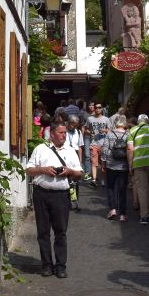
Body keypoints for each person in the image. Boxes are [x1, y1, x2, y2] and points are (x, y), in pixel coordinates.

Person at [26, 120, 83, 277]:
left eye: (65, 133)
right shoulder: (40, 149)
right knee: (43, 232)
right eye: (61, 132)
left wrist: (69, 171)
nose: (64, 135)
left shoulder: (70, 151)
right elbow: (29, 170)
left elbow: (79, 174)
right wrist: (43, 170)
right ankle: (46, 265)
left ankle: (60, 266)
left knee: (60, 232)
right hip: (41, 194)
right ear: (52, 134)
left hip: (61, 196)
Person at [101, 114, 130, 221]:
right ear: (125, 123)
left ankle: (112, 210)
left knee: (111, 187)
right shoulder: (128, 134)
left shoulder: (109, 134)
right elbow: (130, 149)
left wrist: (103, 163)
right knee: (122, 189)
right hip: (124, 166)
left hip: (111, 165)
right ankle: (122, 214)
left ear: (116, 123)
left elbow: (105, 150)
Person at [88, 103, 110, 187]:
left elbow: (111, 131)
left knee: (103, 164)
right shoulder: (90, 119)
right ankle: (94, 180)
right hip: (93, 143)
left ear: (102, 108)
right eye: (96, 108)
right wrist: (89, 132)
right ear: (94, 109)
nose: (97, 109)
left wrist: (105, 130)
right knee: (94, 163)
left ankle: (103, 180)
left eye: (99, 107)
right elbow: (86, 129)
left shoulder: (106, 119)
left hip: (104, 144)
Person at [66, 115, 84, 210]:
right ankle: (67, 201)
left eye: (76, 125)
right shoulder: (63, 131)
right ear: (68, 123)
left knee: (75, 180)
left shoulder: (78, 132)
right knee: (67, 179)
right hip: (65, 155)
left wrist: (80, 160)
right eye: (73, 125)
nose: (74, 127)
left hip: (75, 155)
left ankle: (75, 202)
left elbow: (80, 147)